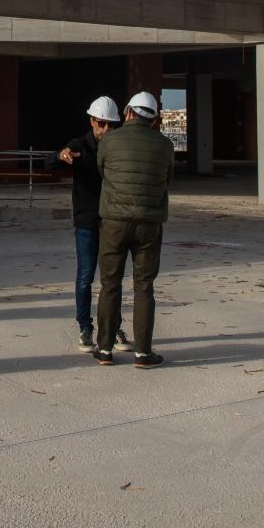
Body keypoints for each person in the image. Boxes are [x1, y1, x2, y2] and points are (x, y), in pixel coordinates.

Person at [91, 91, 174, 369]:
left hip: (114, 221)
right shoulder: (165, 145)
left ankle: (104, 349)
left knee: (110, 284)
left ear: (127, 112)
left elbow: (103, 170)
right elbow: (167, 178)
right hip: (149, 224)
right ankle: (143, 353)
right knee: (144, 287)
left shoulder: (109, 140)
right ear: (154, 119)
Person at [54, 96, 130, 352]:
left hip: (112, 221)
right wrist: (62, 155)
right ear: (92, 121)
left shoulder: (118, 146)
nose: (106, 129)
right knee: (86, 276)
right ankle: (85, 328)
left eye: (111, 125)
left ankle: (114, 327)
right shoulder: (81, 145)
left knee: (112, 279)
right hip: (87, 222)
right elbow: (58, 157)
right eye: (101, 123)